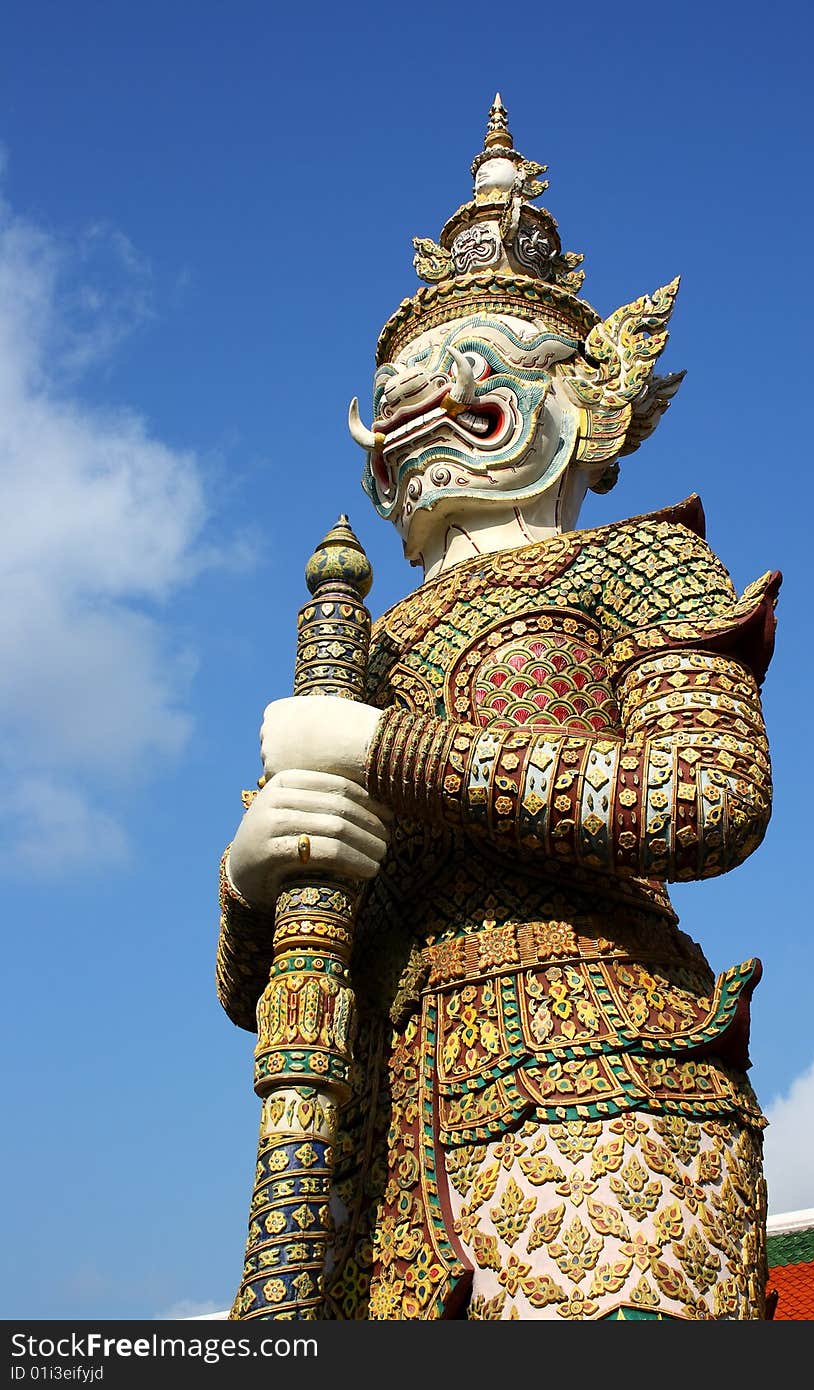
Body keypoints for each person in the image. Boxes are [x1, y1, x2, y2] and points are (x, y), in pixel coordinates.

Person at [217, 97, 781, 1320]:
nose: (420, 404)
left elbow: (710, 796)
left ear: (584, 404)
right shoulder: (357, 647)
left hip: (598, 1078)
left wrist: (387, 747)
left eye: (465, 376)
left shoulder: (632, 567)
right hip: (365, 1147)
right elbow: (264, 978)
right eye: (399, 386)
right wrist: (248, 880)